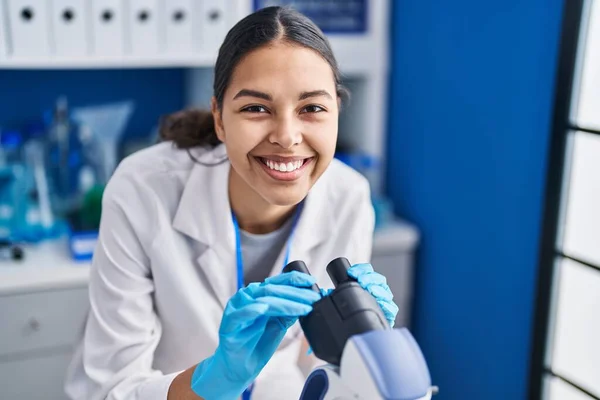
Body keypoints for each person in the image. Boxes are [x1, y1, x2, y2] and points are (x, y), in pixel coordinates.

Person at [64, 6, 399, 400]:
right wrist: (216, 378)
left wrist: (358, 351)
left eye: (312, 108)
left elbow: (316, 362)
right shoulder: (143, 189)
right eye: (256, 108)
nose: (287, 136)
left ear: (336, 113)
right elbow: (111, 390)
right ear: (220, 118)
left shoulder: (348, 197)